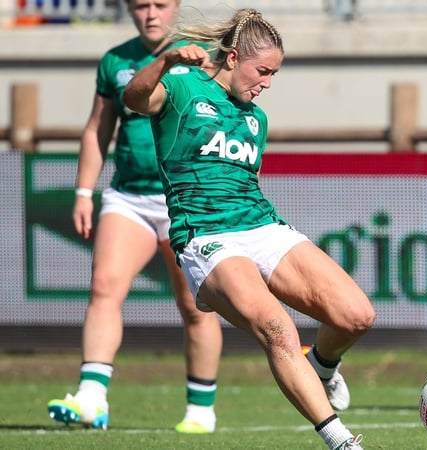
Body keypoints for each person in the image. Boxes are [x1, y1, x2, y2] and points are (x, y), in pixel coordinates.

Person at [121, 8, 375, 449]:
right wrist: (163, 63)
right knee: (278, 328)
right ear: (234, 58)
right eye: (263, 71)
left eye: (275, 74)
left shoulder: (256, 120)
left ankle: (322, 367)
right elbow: (134, 98)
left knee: (356, 315)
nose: (267, 83)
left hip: (261, 226)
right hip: (207, 237)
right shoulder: (183, 88)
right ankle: (342, 442)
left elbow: (247, 184)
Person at [47, 0, 224, 434]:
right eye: (140, 5)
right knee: (104, 285)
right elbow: (97, 128)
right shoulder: (116, 61)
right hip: (129, 197)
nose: (150, 13)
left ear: (177, 6)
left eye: (160, 4)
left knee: (196, 304)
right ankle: (91, 398)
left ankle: (201, 410)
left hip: (186, 200)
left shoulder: (203, 56)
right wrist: (84, 191)